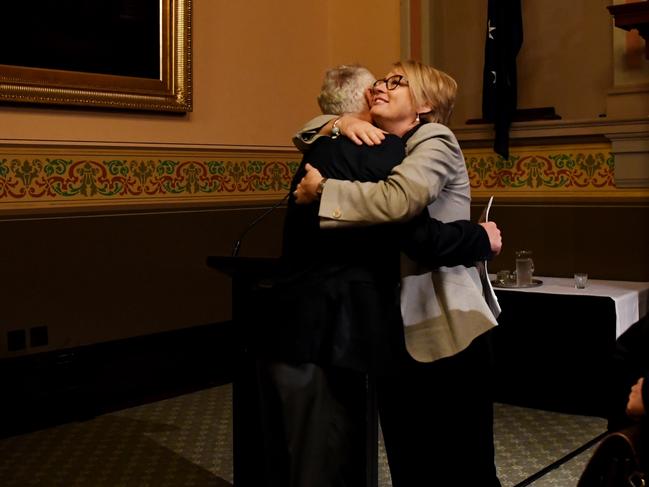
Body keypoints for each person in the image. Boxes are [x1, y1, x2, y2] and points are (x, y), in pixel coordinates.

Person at [256, 64, 503, 487]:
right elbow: (311, 129)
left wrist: (322, 192)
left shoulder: (434, 138)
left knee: (464, 464)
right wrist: (338, 120)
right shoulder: (383, 144)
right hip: (398, 328)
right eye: (380, 81)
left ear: (424, 105)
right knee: (413, 462)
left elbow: (401, 204)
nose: (380, 88)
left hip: (445, 325)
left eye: (396, 82)